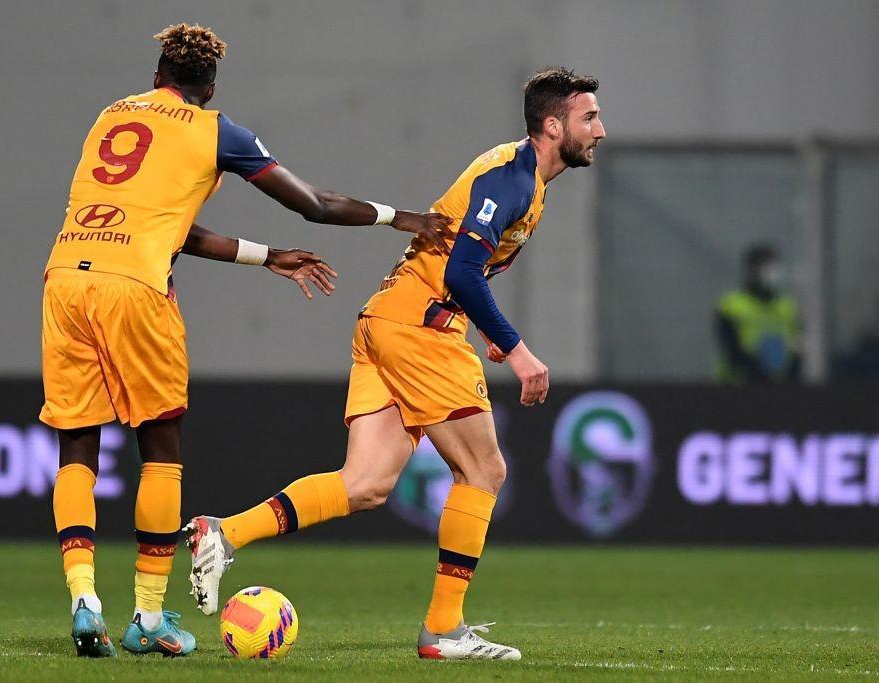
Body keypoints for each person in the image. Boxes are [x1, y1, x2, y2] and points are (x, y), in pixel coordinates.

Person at [40, 22, 451, 658]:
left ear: (156, 80)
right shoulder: (216, 131)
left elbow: (168, 225)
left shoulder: (110, 116)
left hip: (65, 278)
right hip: (136, 288)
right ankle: (148, 617)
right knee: (160, 446)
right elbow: (314, 203)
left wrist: (266, 257)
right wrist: (402, 218)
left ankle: (84, 599)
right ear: (208, 89)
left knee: (77, 445)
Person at [186, 66, 605, 661]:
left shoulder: (526, 181)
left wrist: (480, 326)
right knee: (485, 472)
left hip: (389, 323)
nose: (601, 130)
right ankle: (443, 629)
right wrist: (516, 349)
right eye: (589, 117)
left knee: (364, 486)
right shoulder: (511, 178)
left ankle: (222, 534)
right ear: (553, 124)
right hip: (419, 333)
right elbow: (460, 271)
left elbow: (465, 270)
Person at [715, 244, 800, 383]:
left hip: (782, 385)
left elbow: (797, 345)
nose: (773, 272)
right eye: (767, 267)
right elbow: (731, 350)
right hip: (739, 383)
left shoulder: (788, 307)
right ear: (752, 269)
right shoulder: (730, 306)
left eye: (775, 267)